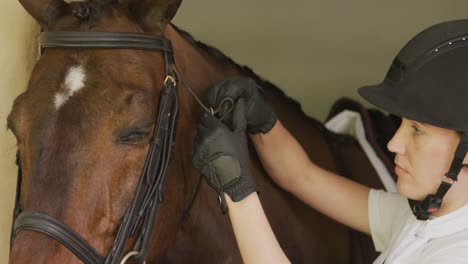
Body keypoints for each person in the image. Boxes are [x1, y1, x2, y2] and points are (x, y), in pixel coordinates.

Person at [192, 19, 468, 263]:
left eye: (417, 130)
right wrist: (264, 124)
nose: (394, 143)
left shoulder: (455, 254)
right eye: (402, 124)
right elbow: (303, 177)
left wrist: (237, 192)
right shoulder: (421, 218)